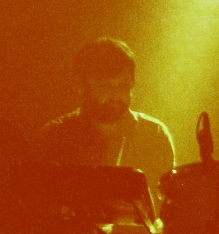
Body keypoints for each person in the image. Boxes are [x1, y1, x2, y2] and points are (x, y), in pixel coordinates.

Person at [34, 37, 176, 211]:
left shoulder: (154, 134)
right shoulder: (53, 136)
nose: (115, 95)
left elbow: (168, 207)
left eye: (123, 84)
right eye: (105, 86)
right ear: (82, 86)